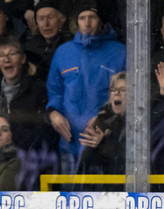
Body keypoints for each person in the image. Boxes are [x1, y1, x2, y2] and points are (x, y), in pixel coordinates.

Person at [45, 0, 126, 172]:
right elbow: (54, 91)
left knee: (102, 195)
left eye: (92, 17)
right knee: (69, 195)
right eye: (82, 18)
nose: (87, 22)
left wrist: (106, 120)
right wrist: (53, 113)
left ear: (101, 21)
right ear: (76, 22)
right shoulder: (63, 52)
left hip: (103, 140)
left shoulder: (120, 52)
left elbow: (127, 95)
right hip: (69, 141)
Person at [78, 71, 127, 174]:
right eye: (113, 90)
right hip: (107, 185)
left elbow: (132, 157)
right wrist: (98, 146)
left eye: (123, 90)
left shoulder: (141, 120)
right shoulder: (104, 118)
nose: (116, 93)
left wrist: (103, 143)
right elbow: (87, 159)